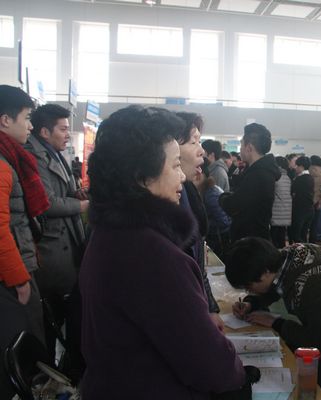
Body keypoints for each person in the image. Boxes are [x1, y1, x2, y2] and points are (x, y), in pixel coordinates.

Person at [80, 106, 246, 398]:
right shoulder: (152, 255)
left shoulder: (109, 232)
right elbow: (211, 366)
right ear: (142, 177)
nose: (181, 177)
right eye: (174, 166)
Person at [226, 237, 321, 400]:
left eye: (249, 286)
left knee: (302, 392)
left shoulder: (316, 282)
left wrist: (275, 322)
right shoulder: (285, 262)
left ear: (265, 272)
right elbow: (275, 289)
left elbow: (319, 343)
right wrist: (251, 303)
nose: (248, 291)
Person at [27, 104, 88, 380]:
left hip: (65, 241)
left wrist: (76, 194)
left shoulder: (54, 153)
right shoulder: (34, 156)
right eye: (62, 129)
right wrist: (82, 206)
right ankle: (49, 377)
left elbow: (61, 192)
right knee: (51, 320)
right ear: (44, 131)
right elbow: (46, 202)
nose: (67, 134)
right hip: (51, 247)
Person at [0, 85, 48, 399]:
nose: (30, 126)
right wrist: (19, 278)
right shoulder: (2, 164)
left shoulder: (11, 158)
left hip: (18, 265)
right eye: (27, 118)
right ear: (5, 120)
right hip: (11, 275)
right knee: (21, 343)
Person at [173, 111, 224, 331]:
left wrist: (210, 307)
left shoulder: (188, 193)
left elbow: (197, 261)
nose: (202, 150)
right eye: (194, 141)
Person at [219, 123, 280, 241]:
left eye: (241, 145)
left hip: (252, 240)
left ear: (249, 148)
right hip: (253, 236)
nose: (240, 150)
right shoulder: (258, 171)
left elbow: (233, 205)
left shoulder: (259, 174)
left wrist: (221, 196)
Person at [290, 156, 314, 243]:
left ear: (302, 166)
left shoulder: (299, 179)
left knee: (296, 235)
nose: (295, 168)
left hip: (300, 209)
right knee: (303, 234)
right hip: (309, 209)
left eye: (297, 166)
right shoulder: (310, 177)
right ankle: (305, 250)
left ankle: (299, 251)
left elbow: (292, 191)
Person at [270, 156, 292, 248]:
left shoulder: (275, 178)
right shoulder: (287, 178)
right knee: (281, 237)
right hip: (285, 212)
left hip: (276, 212)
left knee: (274, 238)